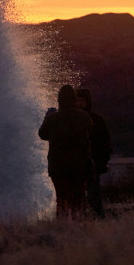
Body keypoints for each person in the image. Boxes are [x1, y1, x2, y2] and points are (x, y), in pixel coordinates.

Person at [39, 85, 93, 218]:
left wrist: (47, 117)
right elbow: (90, 132)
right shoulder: (84, 117)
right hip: (80, 165)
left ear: (60, 100)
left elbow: (42, 134)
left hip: (58, 166)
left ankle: (62, 227)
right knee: (78, 199)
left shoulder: (53, 119)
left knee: (62, 199)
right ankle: (78, 225)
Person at [78, 88, 112, 219]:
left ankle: (98, 219)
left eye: (82, 101)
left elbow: (105, 142)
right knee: (80, 196)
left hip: (93, 164)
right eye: (77, 101)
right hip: (78, 164)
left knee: (94, 196)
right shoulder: (74, 121)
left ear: (87, 102)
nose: (80, 103)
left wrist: (102, 162)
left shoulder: (97, 120)